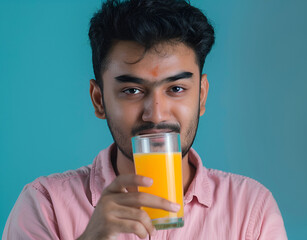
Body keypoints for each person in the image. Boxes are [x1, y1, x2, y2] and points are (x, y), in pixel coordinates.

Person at [2, 0, 288, 239]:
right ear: (99, 100)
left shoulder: (251, 210)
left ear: (201, 96)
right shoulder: (44, 205)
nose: (156, 114)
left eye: (176, 89)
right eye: (132, 90)